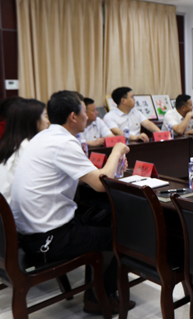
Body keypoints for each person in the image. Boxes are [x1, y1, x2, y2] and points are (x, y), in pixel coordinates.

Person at [10, 91, 133, 314]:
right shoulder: (63, 143)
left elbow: (85, 177)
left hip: (29, 234)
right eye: (85, 111)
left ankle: (97, 292)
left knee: (102, 216)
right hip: (47, 240)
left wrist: (108, 168)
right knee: (118, 235)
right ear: (73, 116)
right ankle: (99, 300)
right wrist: (117, 149)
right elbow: (100, 183)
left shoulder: (44, 137)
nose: (89, 116)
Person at [0, 98, 49, 203]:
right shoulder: (29, 149)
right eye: (45, 116)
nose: (47, 122)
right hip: (18, 208)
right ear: (33, 121)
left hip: (7, 208)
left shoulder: (9, 144)